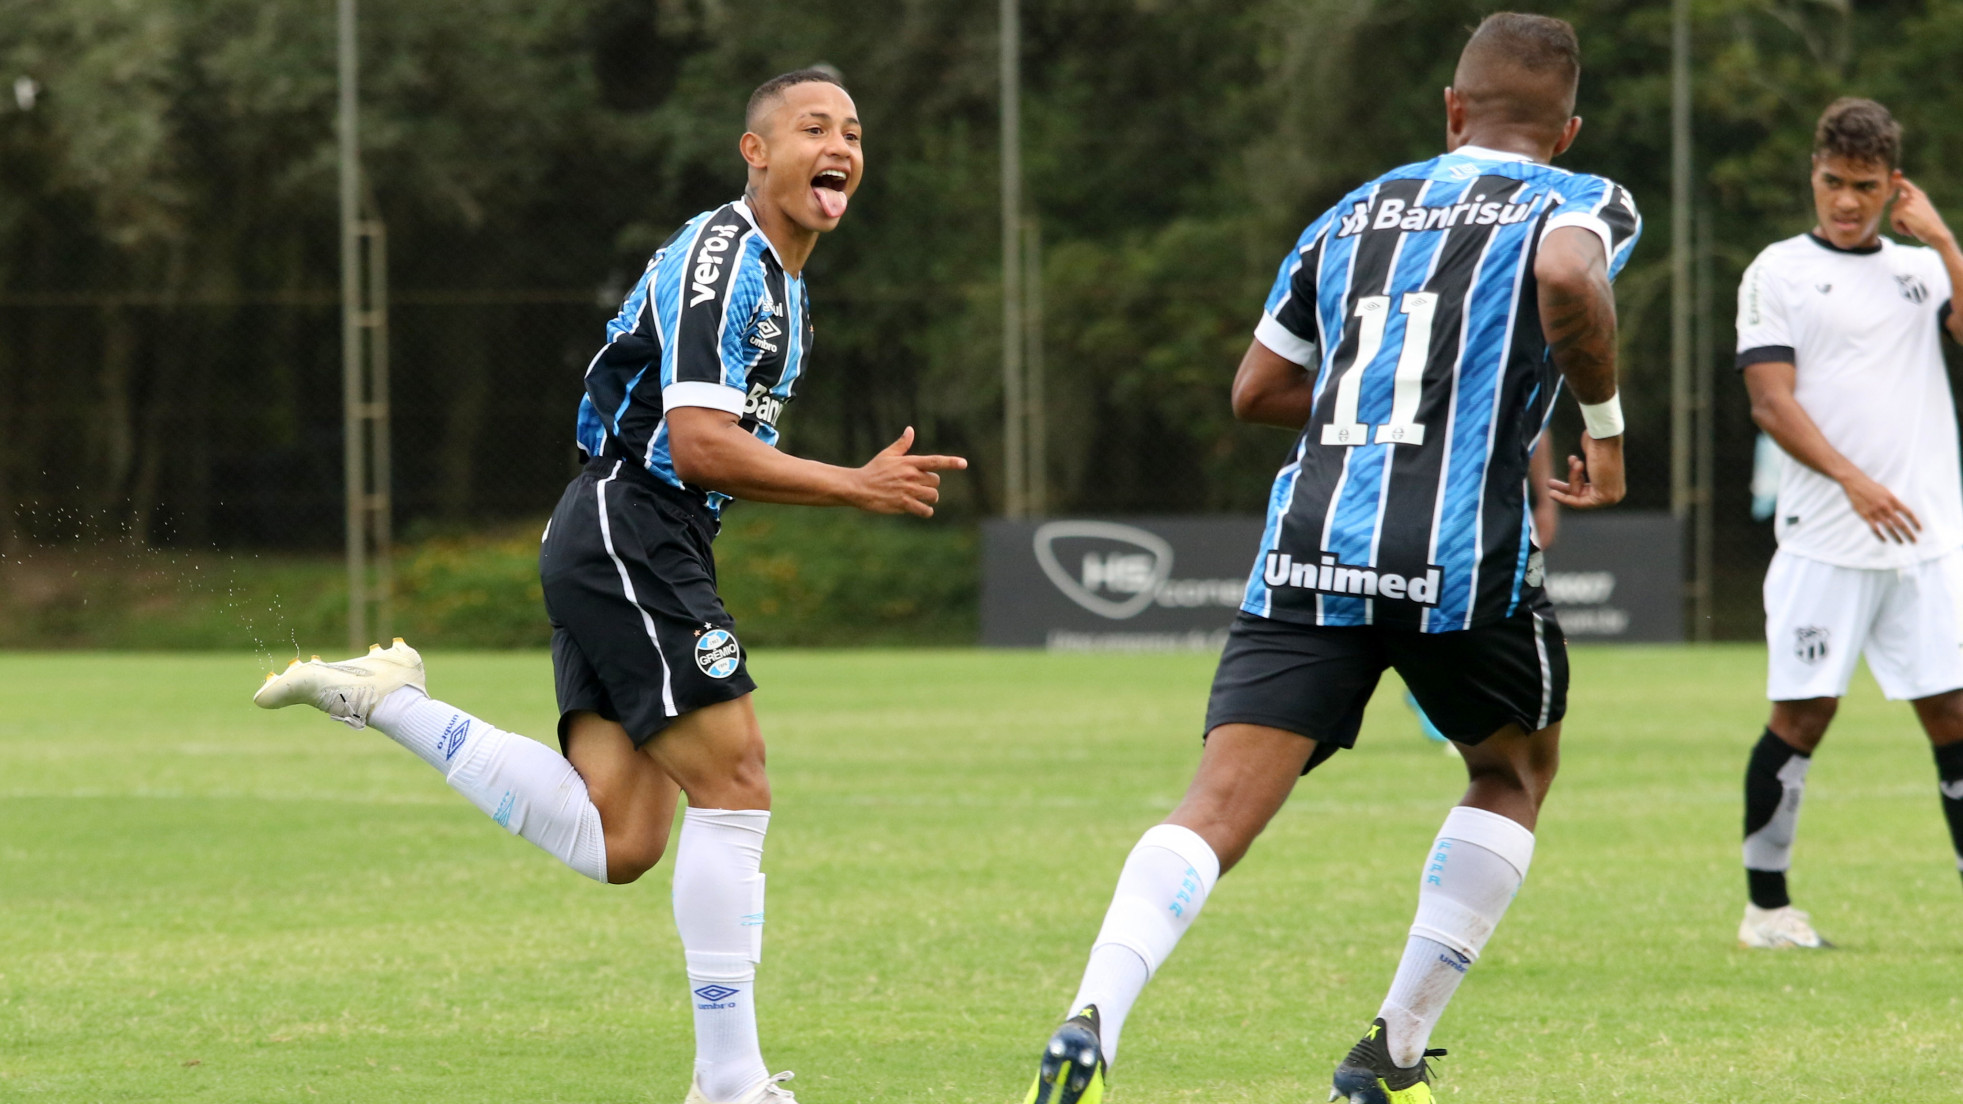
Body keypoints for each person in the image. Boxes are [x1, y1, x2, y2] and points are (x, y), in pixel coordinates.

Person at [253, 69, 965, 1104]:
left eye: (852, 130)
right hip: (631, 526)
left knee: (622, 839)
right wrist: (852, 485)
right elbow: (700, 445)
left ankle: (389, 702)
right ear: (755, 152)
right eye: (813, 126)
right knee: (738, 780)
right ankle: (729, 1084)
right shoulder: (723, 260)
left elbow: (708, 451)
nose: (840, 144)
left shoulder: (786, 280)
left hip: (625, 533)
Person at [1020, 14, 1638, 1104]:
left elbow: (1255, 392)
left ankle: (1091, 1017)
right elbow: (1565, 281)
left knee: (1213, 808)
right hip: (1457, 559)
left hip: (1314, 546)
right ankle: (1390, 1054)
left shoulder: (1351, 213)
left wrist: (1368, 407)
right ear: (1569, 128)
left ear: (1451, 112)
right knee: (1510, 770)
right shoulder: (1582, 198)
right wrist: (1606, 430)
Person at [1733, 97, 1963, 951]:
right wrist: (1854, 482)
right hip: (1826, 540)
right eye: (1831, 182)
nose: (1844, 202)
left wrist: (1942, 242)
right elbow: (1768, 399)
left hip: (1929, 544)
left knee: (1954, 719)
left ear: (1890, 187)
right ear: (1813, 174)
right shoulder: (1776, 271)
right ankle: (1766, 911)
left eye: (1863, 186)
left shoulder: (1921, 268)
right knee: (1801, 720)